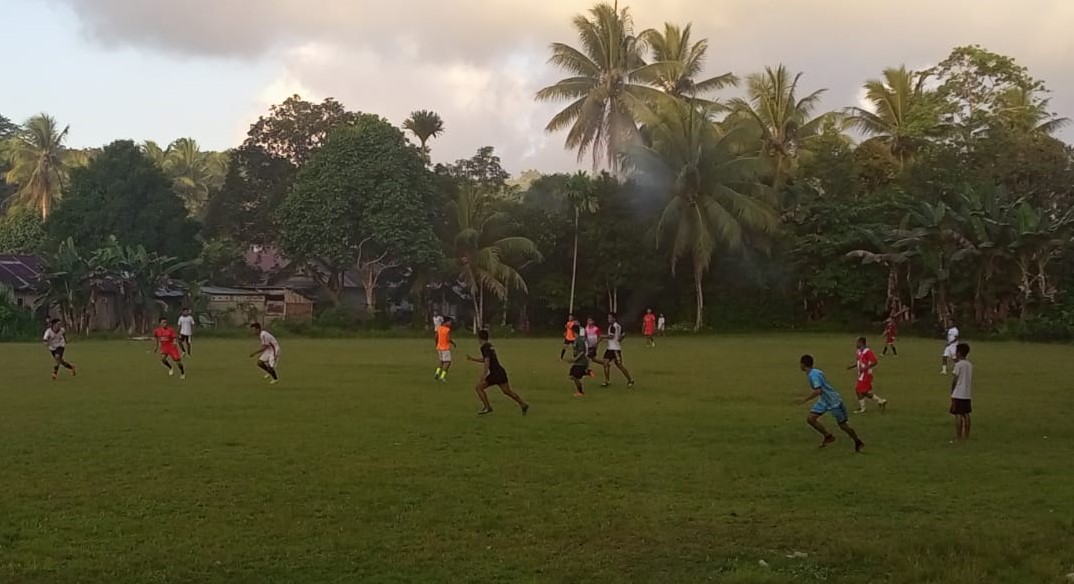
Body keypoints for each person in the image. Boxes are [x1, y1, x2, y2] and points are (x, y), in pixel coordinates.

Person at [797, 354, 865, 452]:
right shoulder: (816, 371)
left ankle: (858, 441)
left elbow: (818, 391)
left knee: (843, 425)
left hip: (833, 401)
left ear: (803, 364)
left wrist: (804, 400)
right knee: (811, 419)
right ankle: (828, 436)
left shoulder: (813, 375)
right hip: (824, 400)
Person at [466, 329, 529, 416]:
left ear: (480, 338)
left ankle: (488, 407)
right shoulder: (489, 345)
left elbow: (487, 361)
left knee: (479, 388)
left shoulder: (484, 347)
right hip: (500, 372)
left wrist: (484, 375)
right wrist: (473, 359)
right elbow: (486, 359)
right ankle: (523, 404)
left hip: (495, 373)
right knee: (507, 391)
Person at [847, 336, 887, 413]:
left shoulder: (868, 351)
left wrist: (865, 368)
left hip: (866, 374)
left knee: (858, 390)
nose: (856, 344)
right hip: (861, 374)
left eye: (857, 342)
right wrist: (852, 366)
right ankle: (881, 401)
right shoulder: (858, 351)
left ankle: (863, 409)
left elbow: (875, 362)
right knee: (864, 392)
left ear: (861, 343)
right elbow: (859, 362)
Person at [602, 312, 635, 388]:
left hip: (615, 349)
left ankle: (630, 379)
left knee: (619, 365)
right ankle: (607, 381)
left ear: (614, 318)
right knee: (605, 363)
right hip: (610, 348)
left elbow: (611, 336)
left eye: (610, 317)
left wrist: (602, 336)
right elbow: (623, 334)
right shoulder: (618, 326)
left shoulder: (613, 326)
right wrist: (620, 339)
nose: (608, 319)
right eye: (608, 317)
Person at [950, 343, 973, 441]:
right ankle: (966, 436)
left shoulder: (958, 365)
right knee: (966, 414)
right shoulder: (969, 365)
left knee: (958, 414)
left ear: (959, 353)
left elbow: (955, 379)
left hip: (958, 393)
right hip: (967, 393)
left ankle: (958, 436)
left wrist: (952, 390)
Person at [568, 323, 588, 397]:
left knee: (575, 377)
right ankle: (586, 372)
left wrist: (575, 359)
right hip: (577, 363)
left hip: (581, 362)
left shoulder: (580, 340)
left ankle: (580, 392)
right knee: (572, 376)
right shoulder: (576, 340)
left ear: (574, 331)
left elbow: (583, 351)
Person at [434, 316, 456, 382]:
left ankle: (437, 372)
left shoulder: (439, 328)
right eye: (450, 322)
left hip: (439, 347)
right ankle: (442, 376)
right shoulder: (447, 330)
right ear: (446, 322)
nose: (450, 324)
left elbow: (436, 337)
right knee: (448, 362)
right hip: (445, 348)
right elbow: (448, 339)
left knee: (441, 361)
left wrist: (437, 344)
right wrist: (453, 343)